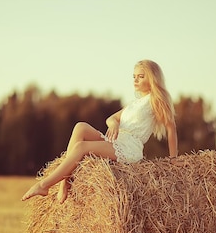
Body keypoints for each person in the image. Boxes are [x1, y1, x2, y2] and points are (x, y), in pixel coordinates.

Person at [21, 59, 178, 203]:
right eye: (134, 76)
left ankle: (45, 184)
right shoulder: (135, 103)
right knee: (80, 127)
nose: (135, 80)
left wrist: (173, 160)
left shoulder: (156, 100)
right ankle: (65, 180)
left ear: (152, 78)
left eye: (141, 76)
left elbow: (171, 129)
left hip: (129, 147)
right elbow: (111, 118)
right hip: (116, 138)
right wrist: (113, 125)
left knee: (81, 147)